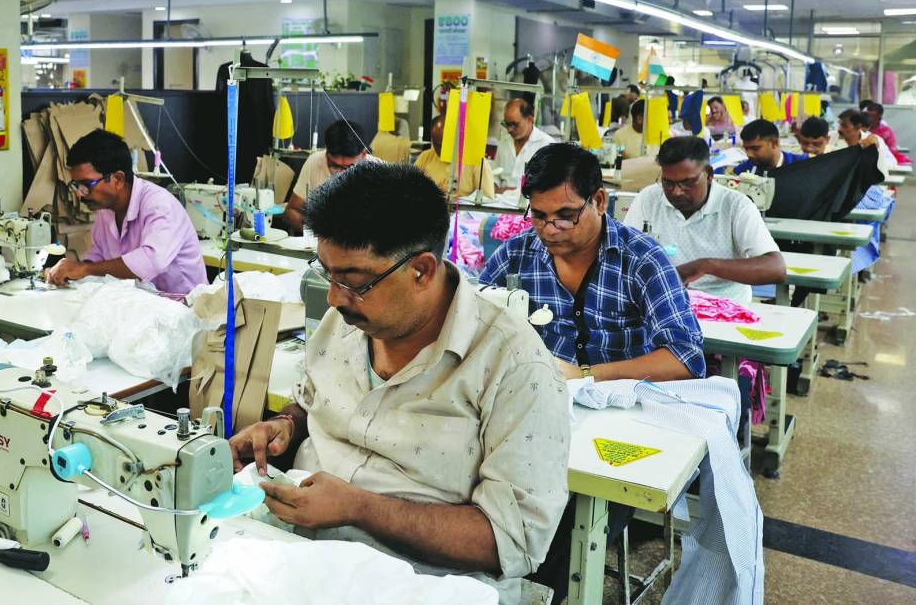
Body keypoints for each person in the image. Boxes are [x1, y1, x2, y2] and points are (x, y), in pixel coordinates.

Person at [229, 163, 569, 604]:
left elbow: (510, 541)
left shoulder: (515, 367)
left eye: (353, 281)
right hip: (297, 553)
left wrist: (358, 507)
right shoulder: (345, 321)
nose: (333, 298)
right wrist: (286, 426)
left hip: (421, 582)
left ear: (422, 270)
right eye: (326, 273)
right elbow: (310, 402)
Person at [480, 142, 705, 383]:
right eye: (539, 216)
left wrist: (584, 375)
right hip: (538, 393)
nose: (549, 230)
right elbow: (474, 323)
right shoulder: (516, 254)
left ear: (599, 201)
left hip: (620, 406)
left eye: (566, 217)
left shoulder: (642, 260)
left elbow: (686, 358)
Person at [623, 136, 785, 305]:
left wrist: (706, 266)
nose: (677, 192)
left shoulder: (735, 206)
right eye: (668, 183)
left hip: (724, 309)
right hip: (664, 303)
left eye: (688, 182)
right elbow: (624, 254)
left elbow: (776, 269)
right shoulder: (649, 198)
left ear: (708, 174)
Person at [44, 129, 207, 295]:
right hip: (145, 304)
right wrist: (69, 271)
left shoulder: (160, 205)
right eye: (76, 186)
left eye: (86, 184)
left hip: (184, 307)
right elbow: (99, 257)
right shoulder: (106, 209)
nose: (79, 193)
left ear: (118, 179)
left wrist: (84, 268)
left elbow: (151, 261)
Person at [284, 120, 381, 233]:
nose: (341, 174)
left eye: (350, 167)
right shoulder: (315, 161)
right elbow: (291, 211)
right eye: (335, 166)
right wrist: (317, 231)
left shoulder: (379, 172)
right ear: (326, 153)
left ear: (364, 154)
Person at [415, 115, 495, 198]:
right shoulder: (425, 158)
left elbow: (487, 201)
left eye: (447, 145)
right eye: (437, 145)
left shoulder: (477, 162)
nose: (442, 150)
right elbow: (409, 187)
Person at [494, 98, 554, 189]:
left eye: (514, 124)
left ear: (530, 119)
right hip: (499, 200)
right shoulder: (504, 140)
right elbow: (495, 174)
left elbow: (548, 184)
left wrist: (514, 192)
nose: (509, 129)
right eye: (506, 124)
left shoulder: (546, 145)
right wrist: (494, 186)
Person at [733, 119, 808, 175]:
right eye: (746, 149)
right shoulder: (743, 170)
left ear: (774, 143)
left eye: (755, 148)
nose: (749, 154)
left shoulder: (801, 166)